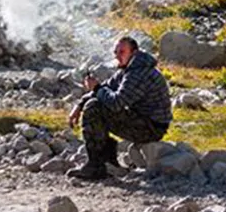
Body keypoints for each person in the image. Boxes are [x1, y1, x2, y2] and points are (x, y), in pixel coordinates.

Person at [66, 35, 173, 181]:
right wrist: (79, 105)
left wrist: (96, 88)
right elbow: (107, 88)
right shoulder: (128, 69)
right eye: (116, 52)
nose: (117, 56)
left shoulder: (139, 72)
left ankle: (96, 166)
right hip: (142, 120)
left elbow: (116, 102)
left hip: (151, 128)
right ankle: (108, 160)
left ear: (134, 53)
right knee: (96, 103)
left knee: (95, 108)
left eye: (121, 52)